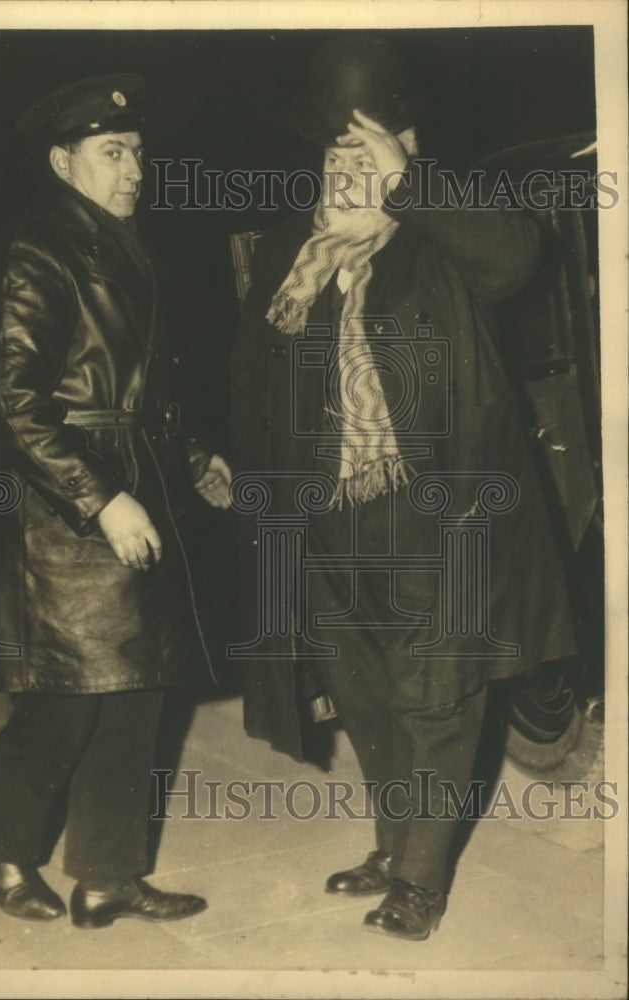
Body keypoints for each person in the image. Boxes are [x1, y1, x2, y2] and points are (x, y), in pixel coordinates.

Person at [230, 36, 574, 941]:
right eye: (337, 152)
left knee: (436, 694)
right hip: (329, 513)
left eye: (368, 149)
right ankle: (394, 843)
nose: (348, 167)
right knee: (366, 690)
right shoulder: (288, 253)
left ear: (405, 149)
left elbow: (518, 258)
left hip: (435, 512)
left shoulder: (445, 240)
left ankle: (422, 880)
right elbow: (257, 383)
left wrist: (407, 187)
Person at [0, 73, 231, 929]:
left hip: (136, 479)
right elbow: (16, 402)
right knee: (66, 698)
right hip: (70, 507)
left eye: (137, 153)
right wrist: (103, 498)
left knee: (138, 690)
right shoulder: (39, 247)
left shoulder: (121, 240)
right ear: (61, 160)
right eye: (111, 153)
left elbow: (139, 385)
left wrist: (193, 457)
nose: (133, 170)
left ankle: (108, 876)